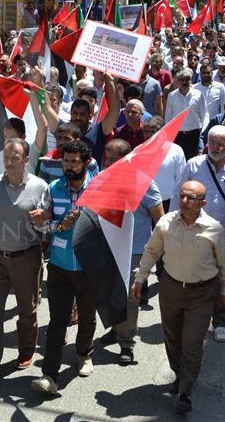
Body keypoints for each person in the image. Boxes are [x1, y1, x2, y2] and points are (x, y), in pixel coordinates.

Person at [133, 180, 225, 414]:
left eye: (191, 198)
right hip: (171, 288)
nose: (185, 201)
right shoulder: (166, 223)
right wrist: (140, 278)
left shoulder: (214, 228)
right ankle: (179, 374)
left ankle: (186, 392)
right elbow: (151, 251)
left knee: (192, 342)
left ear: (203, 202)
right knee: (173, 337)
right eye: (182, 196)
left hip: (202, 293)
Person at [0, 138, 49, 383]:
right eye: (6, 157)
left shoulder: (40, 186)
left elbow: (48, 225)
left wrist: (42, 220)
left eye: (15, 157)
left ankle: (26, 350)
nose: (9, 161)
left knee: (28, 310)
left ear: (27, 159)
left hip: (27, 257)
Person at [30, 140, 93, 395]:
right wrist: (59, 226)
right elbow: (40, 226)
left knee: (87, 316)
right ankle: (49, 375)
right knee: (58, 322)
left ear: (86, 162)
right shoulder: (53, 188)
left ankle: (84, 354)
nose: (68, 166)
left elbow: (111, 226)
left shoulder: (98, 188)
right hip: (59, 264)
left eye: (73, 161)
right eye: (65, 161)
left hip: (89, 266)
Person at [181, 124, 225, 343]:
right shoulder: (193, 165)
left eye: (222, 144)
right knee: (194, 278)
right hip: (194, 232)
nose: (216, 147)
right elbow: (179, 195)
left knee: (222, 280)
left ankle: (221, 322)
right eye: (213, 141)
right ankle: (195, 322)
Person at [96, 140, 164, 366]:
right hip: (107, 247)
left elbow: (160, 221)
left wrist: (157, 253)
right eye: (107, 159)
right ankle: (115, 329)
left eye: (114, 159)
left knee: (129, 298)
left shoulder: (144, 183)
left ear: (127, 159)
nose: (109, 163)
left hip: (134, 251)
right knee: (109, 293)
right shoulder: (102, 179)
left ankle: (126, 342)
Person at [165, 69, 208, 159]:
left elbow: (204, 114)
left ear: (191, 80)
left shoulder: (199, 95)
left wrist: (203, 130)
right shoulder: (172, 96)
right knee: (178, 159)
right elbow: (168, 116)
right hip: (178, 135)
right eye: (182, 80)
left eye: (187, 79)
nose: (184, 82)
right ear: (178, 81)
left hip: (194, 134)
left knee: (193, 160)